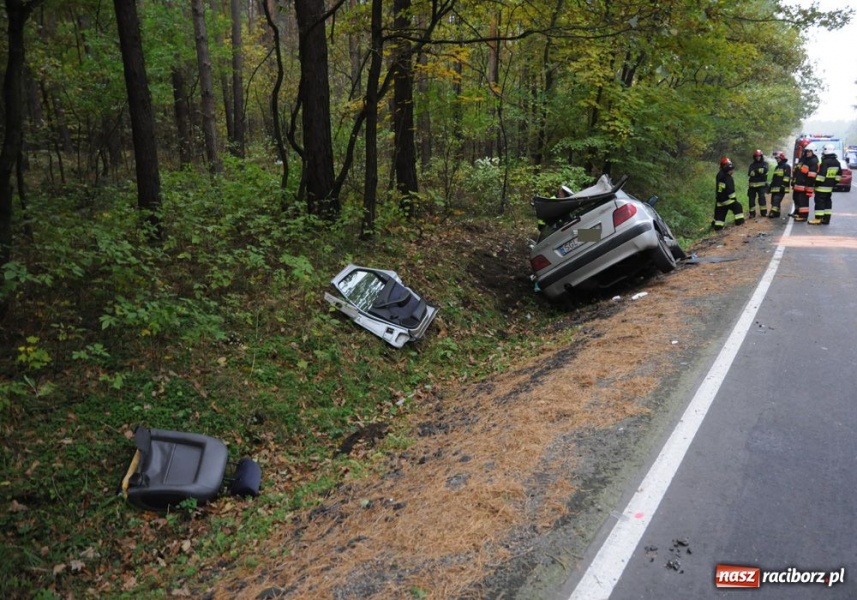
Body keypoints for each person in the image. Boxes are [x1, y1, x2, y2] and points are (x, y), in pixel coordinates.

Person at [809, 143, 841, 225]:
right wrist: (832, 183)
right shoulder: (837, 162)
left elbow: (821, 176)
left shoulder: (825, 162)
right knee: (827, 202)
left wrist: (815, 184)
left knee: (819, 202)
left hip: (821, 187)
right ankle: (826, 219)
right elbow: (838, 176)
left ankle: (818, 219)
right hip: (829, 188)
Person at [713, 157, 745, 230]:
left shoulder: (720, 175)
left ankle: (718, 227)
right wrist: (734, 199)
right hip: (726, 199)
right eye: (732, 170)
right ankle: (740, 222)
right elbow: (730, 190)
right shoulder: (727, 177)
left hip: (720, 199)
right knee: (737, 206)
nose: (733, 171)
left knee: (721, 213)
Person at [791, 143, 819, 221]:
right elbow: (798, 172)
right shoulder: (805, 160)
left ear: (813, 152)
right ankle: (798, 213)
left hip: (805, 186)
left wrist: (807, 186)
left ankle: (803, 216)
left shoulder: (813, 161)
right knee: (797, 198)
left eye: (809, 151)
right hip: (799, 185)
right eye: (807, 151)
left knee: (803, 201)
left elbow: (812, 176)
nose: (807, 153)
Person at [767, 151, 791, 218]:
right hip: (775, 188)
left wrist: (783, 186)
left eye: (778, 158)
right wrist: (770, 187)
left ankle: (772, 212)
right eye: (776, 158)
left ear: (782, 158)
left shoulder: (786, 166)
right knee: (773, 201)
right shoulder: (777, 167)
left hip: (781, 188)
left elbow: (787, 177)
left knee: (776, 200)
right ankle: (777, 213)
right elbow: (774, 178)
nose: (777, 160)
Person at [747, 149, 769, 217]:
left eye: (759, 156)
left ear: (761, 156)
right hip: (752, 186)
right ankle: (752, 214)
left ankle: (763, 213)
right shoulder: (752, 165)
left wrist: (755, 172)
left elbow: (764, 171)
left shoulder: (765, 164)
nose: (758, 157)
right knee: (751, 200)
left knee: (762, 198)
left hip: (761, 185)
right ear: (754, 157)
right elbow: (750, 173)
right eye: (756, 156)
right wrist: (758, 171)